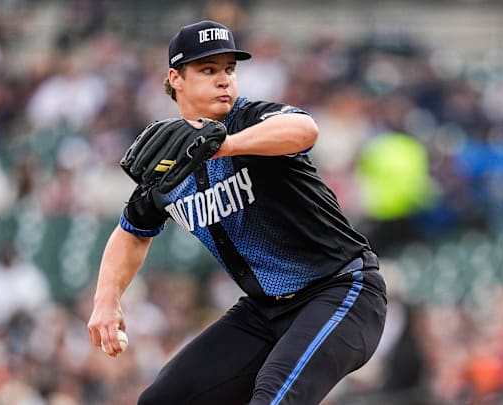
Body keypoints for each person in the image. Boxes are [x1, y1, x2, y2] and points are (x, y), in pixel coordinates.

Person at [87, 19, 388, 405]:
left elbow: (303, 129)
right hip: (264, 312)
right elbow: (131, 232)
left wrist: (224, 145)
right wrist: (106, 301)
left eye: (229, 68)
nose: (224, 80)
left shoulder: (249, 122)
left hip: (342, 291)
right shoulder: (169, 161)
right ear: (175, 78)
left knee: (274, 398)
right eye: (208, 70)